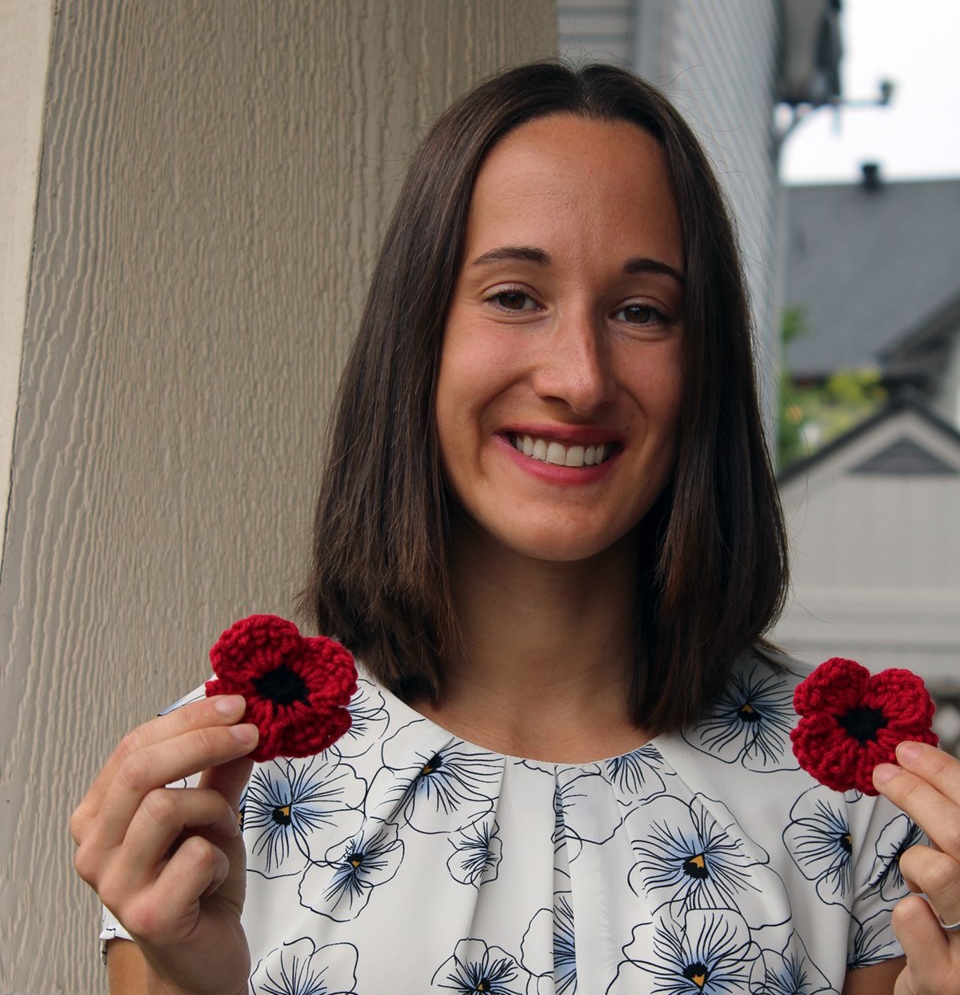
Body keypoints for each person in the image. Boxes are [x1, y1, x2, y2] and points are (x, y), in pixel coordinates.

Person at [71, 62, 960, 995]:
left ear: (706, 369)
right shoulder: (218, 784)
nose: (579, 376)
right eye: (513, 297)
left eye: (641, 311)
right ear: (417, 333)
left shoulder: (862, 801)